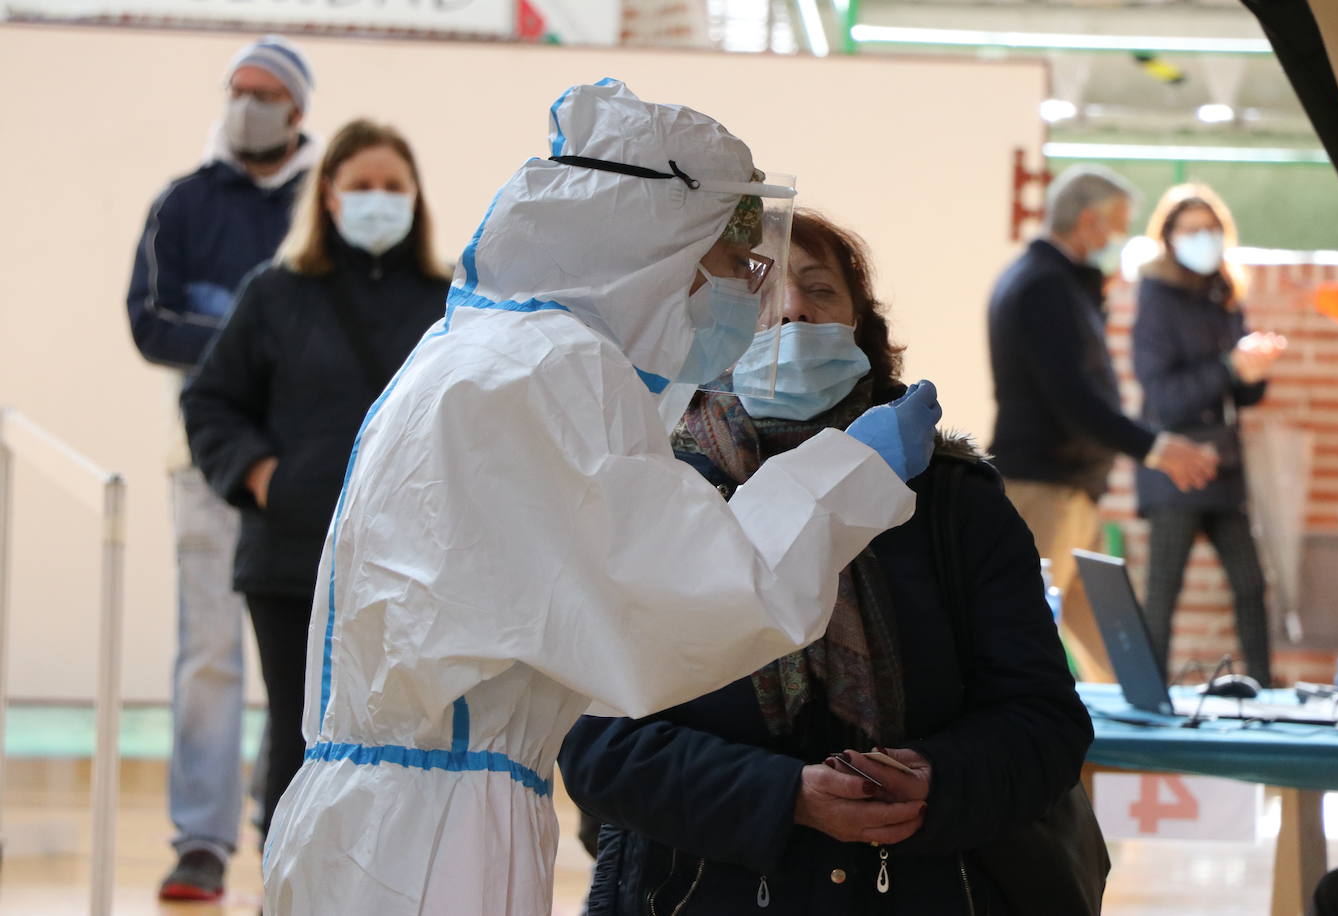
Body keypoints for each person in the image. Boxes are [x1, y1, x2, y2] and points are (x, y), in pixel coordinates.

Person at [259, 80, 942, 916]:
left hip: (384, 823)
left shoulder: (486, 352)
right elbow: (689, 606)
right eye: (731, 268)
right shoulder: (552, 371)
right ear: (658, 255)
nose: (744, 298)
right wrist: (849, 475)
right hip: (434, 839)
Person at [559, 210, 1095, 914]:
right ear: (703, 327)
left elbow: (1044, 721)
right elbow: (598, 747)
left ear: (861, 328)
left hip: (930, 887)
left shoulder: (953, 502)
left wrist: (938, 778)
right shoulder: (652, 490)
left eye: (821, 290)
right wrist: (787, 797)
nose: (793, 310)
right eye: (757, 290)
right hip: (701, 890)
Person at [181, 119, 450, 844]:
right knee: (298, 741)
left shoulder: (451, 299)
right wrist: (265, 477)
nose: (376, 199)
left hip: (413, 565)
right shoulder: (274, 292)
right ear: (328, 197)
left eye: (392, 186)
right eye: (360, 185)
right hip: (292, 559)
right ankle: (289, 891)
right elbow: (209, 400)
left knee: (404, 746)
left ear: (416, 198)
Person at [124, 35, 316, 901]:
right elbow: (152, 322)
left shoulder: (325, 204)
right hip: (203, 466)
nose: (246, 103)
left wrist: (237, 342)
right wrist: (256, 342)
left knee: (297, 654)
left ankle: (287, 821)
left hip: (304, 475)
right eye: (236, 89)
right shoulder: (184, 204)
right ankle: (200, 841)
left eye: (263, 91)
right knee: (207, 654)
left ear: (296, 109)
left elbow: (335, 329)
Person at [987, 164, 1219, 682]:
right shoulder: (1043, 285)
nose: (1120, 238)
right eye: (1118, 224)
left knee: (1114, 644)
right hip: (1044, 490)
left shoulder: (1058, 283)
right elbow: (1074, 398)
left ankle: (1144, 744)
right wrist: (1157, 448)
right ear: (1088, 220)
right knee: (1021, 640)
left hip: (1070, 489)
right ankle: (1042, 755)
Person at [1133, 184, 1284, 685]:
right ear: (1170, 238)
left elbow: (1237, 398)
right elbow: (1165, 396)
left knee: (1250, 585)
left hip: (1225, 465)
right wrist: (1228, 365)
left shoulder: (1224, 294)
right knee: (1164, 590)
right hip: (1177, 466)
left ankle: (1263, 691)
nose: (1205, 239)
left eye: (1212, 229)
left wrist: (1253, 374)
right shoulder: (1156, 298)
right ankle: (1150, 698)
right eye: (1193, 230)